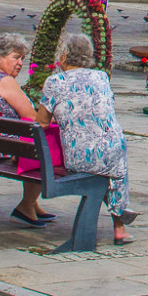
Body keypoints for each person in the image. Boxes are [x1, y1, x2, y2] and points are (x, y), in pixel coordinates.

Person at [41, 32, 136, 245]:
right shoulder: (101, 77)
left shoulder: (54, 82)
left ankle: (119, 221)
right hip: (113, 152)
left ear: (64, 56)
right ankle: (119, 225)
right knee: (111, 167)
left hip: (79, 157)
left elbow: (42, 122)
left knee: (97, 168)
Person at [0, 32, 61, 227]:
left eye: (22, 59)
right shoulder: (5, 82)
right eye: (15, 57)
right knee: (43, 147)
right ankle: (25, 206)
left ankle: (32, 203)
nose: (20, 63)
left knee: (31, 144)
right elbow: (35, 119)